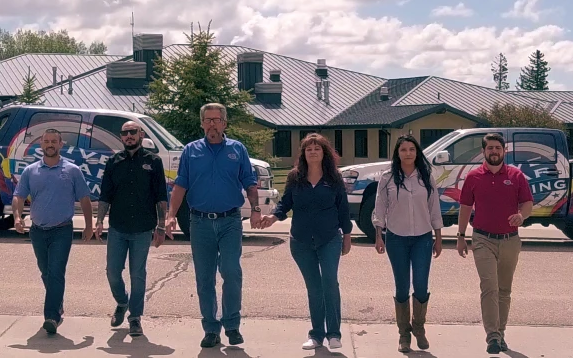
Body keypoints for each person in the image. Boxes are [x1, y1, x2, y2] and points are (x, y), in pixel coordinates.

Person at [165, 103, 260, 348]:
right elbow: (180, 186)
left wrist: (256, 208)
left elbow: (249, 182)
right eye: (207, 120)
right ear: (202, 124)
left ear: (225, 123)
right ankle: (211, 328)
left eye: (217, 120)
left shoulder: (237, 150)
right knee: (204, 278)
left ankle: (232, 324)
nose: (212, 124)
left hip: (230, 221)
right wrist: (170, 214)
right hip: (200, 223)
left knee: (231, 271)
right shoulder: (190, 151)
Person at [260, 133, 352, 351]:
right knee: (314, 288)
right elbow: (285, 203)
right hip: (301, 241)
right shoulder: (295, 177)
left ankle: (334, 333)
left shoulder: (334, 178)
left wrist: (347, 236)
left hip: (329, 238)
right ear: (303, 153)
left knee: (330, 282)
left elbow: (343, 209)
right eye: (308, 149)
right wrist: (273, 217)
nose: (312, 152)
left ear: (324, 152)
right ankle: (316, 335)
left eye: (317, 148)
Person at [456, 132, 533, 354]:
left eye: (498, 148)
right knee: (489, 287)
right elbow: (465, 208)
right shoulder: (473, 177)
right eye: (490, 148)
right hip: (482, 239)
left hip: (509, 240)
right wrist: (460, 237)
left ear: (504, 151)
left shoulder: (516, 176)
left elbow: (527, 203)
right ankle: (492, 337)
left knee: (503, 290)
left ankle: (500, 333)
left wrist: (522, 215)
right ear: (483, 151)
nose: (494, 151)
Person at [12, 128, 94, 335]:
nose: (50, 144)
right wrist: (17, 217)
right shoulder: (30, 171)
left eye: (54, 141)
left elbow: (84, 199)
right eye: (46, 141)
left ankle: (51, 317)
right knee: (46, 272)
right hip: (37, 231)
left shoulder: (72, 170)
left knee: (56, 272)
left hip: (62, 230)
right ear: (41, 144)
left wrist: (88, 225)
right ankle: (57, 303)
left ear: (60, 144)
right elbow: (19, 196)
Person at [95, 121, 168, 337]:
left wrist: (161, 226)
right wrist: (99, 221)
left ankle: (135, 317)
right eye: (125, 133)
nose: (129, 136)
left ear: (140, 134)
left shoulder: (153, 161)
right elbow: (105, 196)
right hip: (117, 227)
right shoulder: (113, 162)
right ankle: (121, 302)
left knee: (138, 274)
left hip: (143, 229)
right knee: (112, 273)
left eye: (133, 132)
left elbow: (161, 197)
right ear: (121, 136)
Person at [372, 134, 443, 353]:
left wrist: (438, 237)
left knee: (421, 285)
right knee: (402, 286)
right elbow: (380, 206)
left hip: (422, 237)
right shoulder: (388, 178)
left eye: (412, 149)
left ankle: (419, 328)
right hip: (396, 238)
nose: (408, 153)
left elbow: (434, 207)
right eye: (403, 150)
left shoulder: (426, 176)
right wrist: (378, 234)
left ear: (417, 152)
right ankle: (404, 334)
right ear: (398, 153)